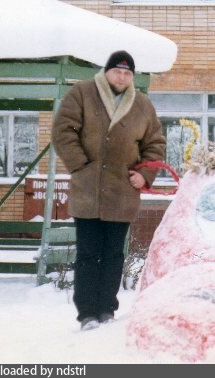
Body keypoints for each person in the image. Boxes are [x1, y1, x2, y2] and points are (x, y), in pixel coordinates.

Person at [52, 50, 165, 331]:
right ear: (107, 72)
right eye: (117, 71)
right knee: (89, 253)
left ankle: (107, 310)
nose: (122, 77)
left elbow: (154, 145)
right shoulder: (82, 93)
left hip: (122, 191)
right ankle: (87, 313)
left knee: (114, 254)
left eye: (127, 73)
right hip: (88, 190)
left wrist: (144, 175)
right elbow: (63, 131)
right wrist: (81, 166)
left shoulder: (142, 104)